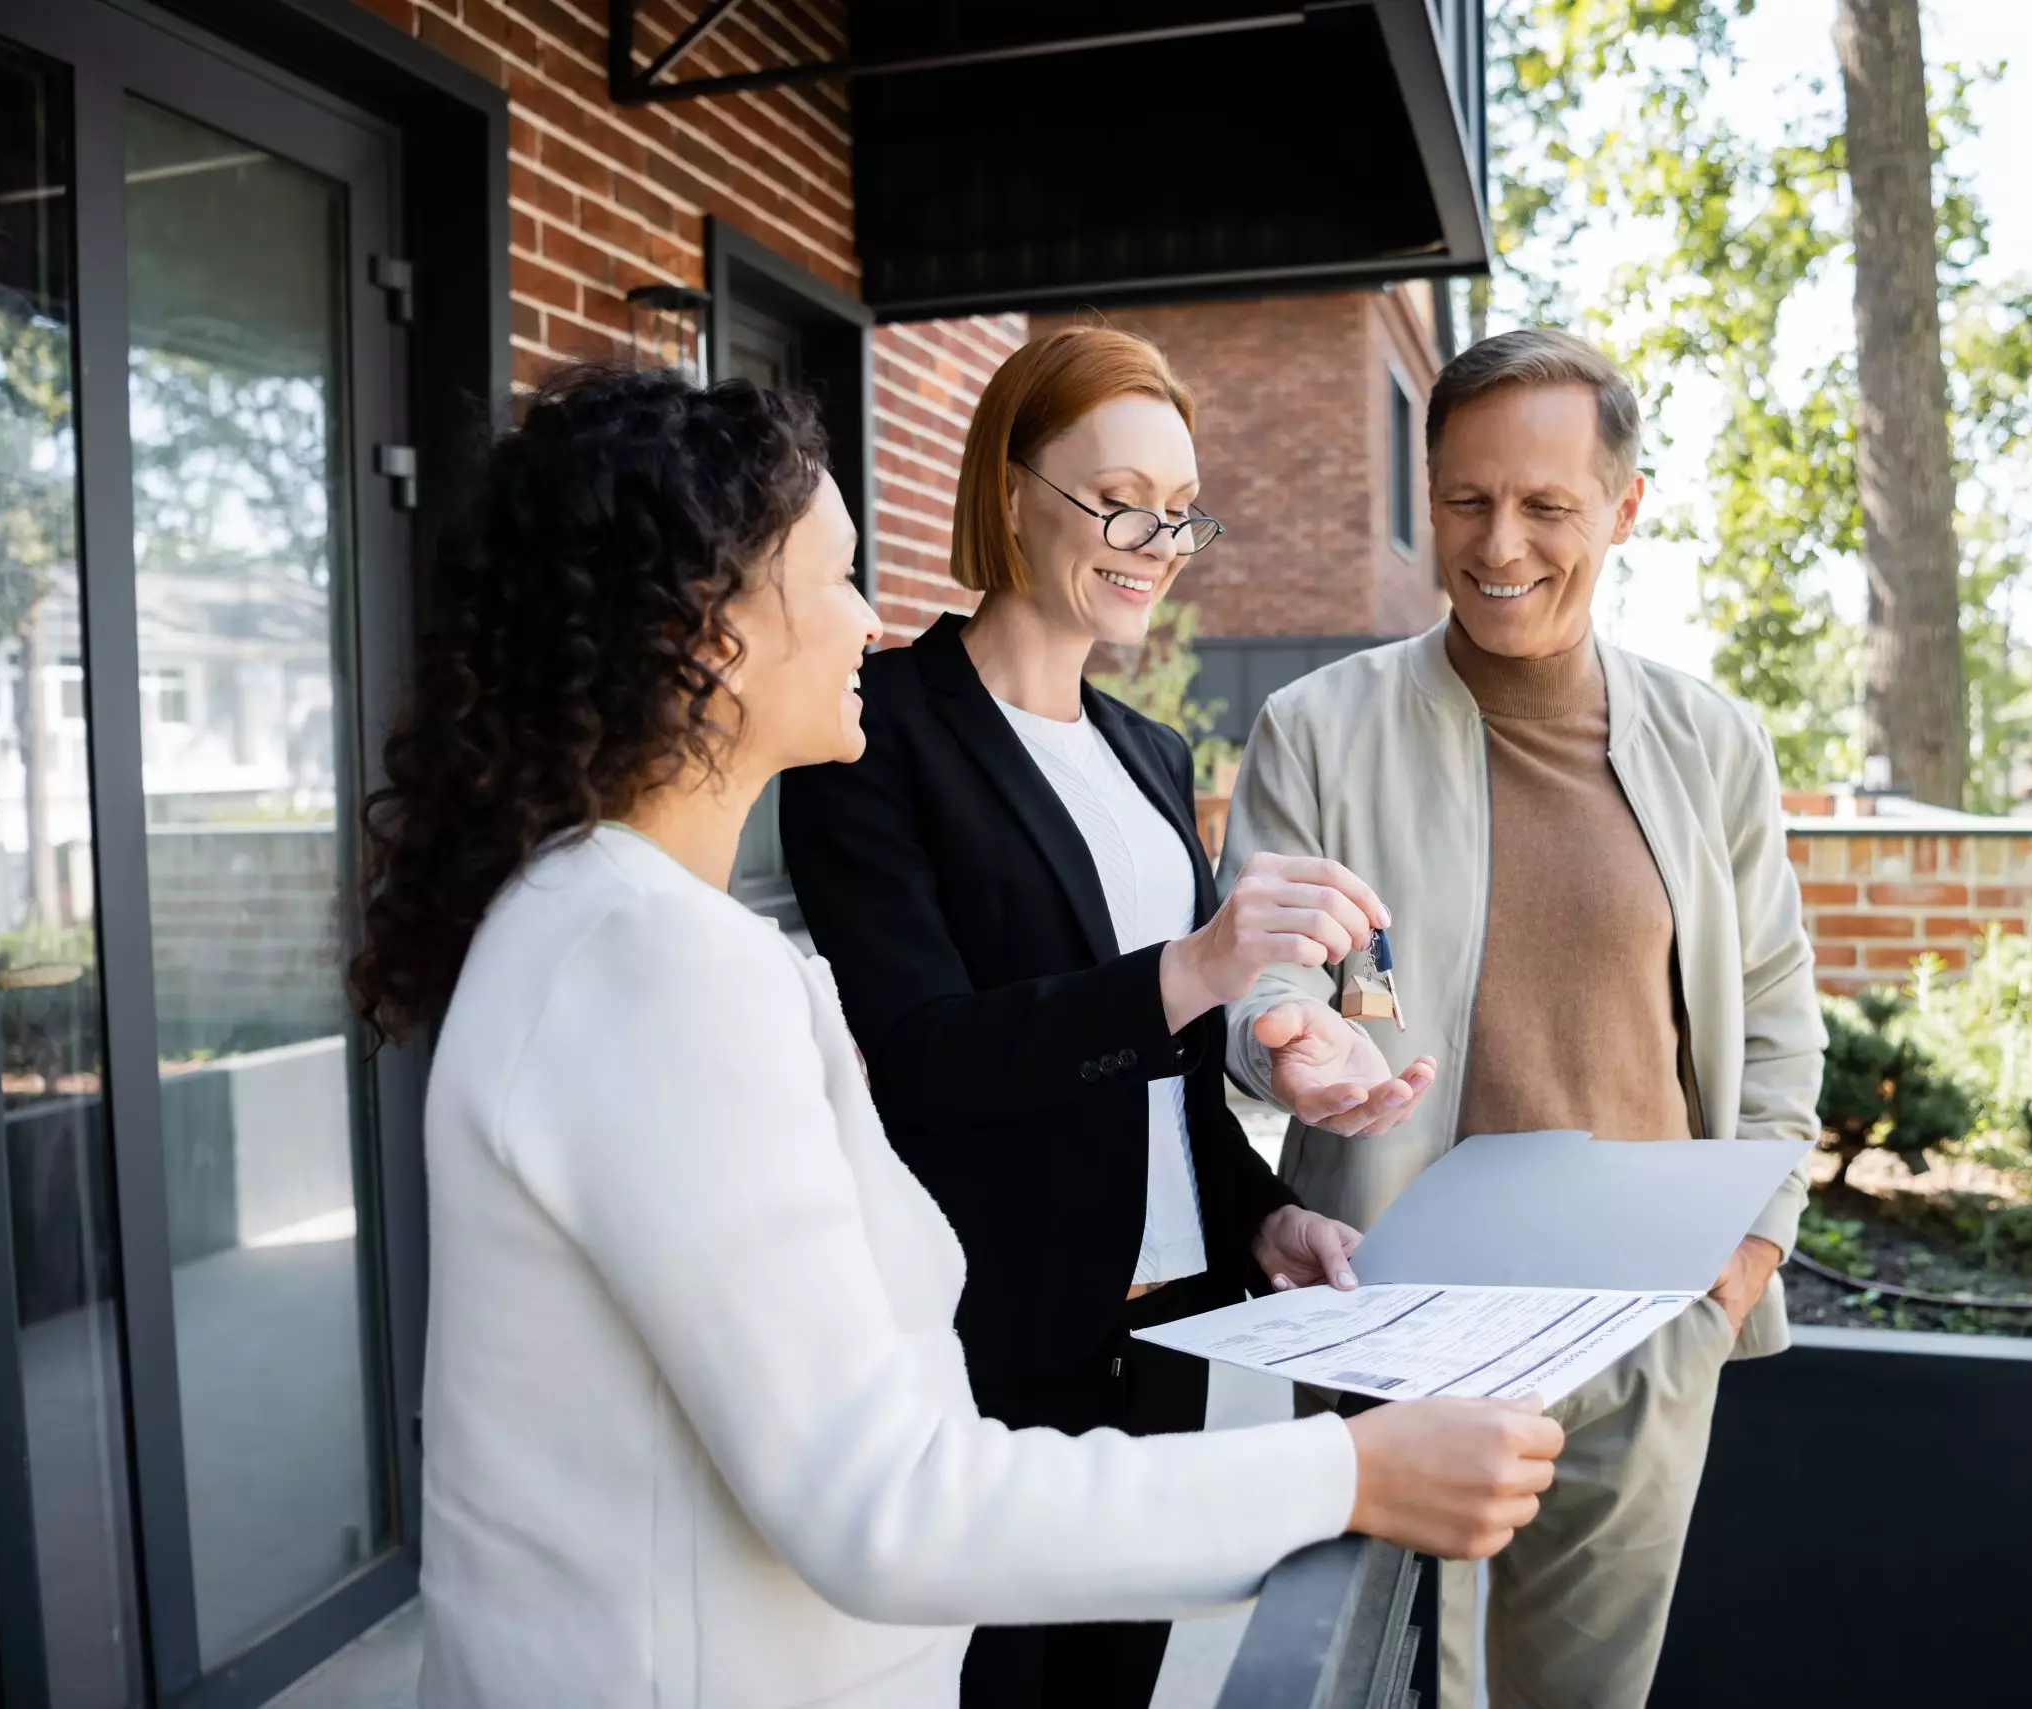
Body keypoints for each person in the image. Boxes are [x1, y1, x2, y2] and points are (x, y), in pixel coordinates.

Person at [353, 366, 1567, 1709]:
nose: (872, 619)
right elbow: (885, 1496)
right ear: (715, 634)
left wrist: (1254, 1209)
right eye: (836, 579)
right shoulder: (654, 964)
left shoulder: (610, 925)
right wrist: (1355, 1472)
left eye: (1180, 511)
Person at [778, 327, 1438, 1709]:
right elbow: (916, 1062)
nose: (1159, 539)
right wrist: (1192, 970)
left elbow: (1169, 1083)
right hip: (982, 1341)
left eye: (1179, 510)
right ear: (1009, 487)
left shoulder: (1150, 752)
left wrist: (1262, 1216)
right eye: (1120, 498)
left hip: (1169, 1336)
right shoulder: (875, 728)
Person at [1219, 328, 1827, 1709]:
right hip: (1398, 1325)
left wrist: (1743, 1257)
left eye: (1548, 505)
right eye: (1465, 500)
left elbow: (1780, 1021)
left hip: (1649, 1325)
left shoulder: (1715, 742)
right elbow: (1266, 974)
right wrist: (1290, 1044)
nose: (1501, 543)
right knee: (1396, 1685)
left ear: (1623, 508)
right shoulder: (1316, 729)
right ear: (1426, 494)